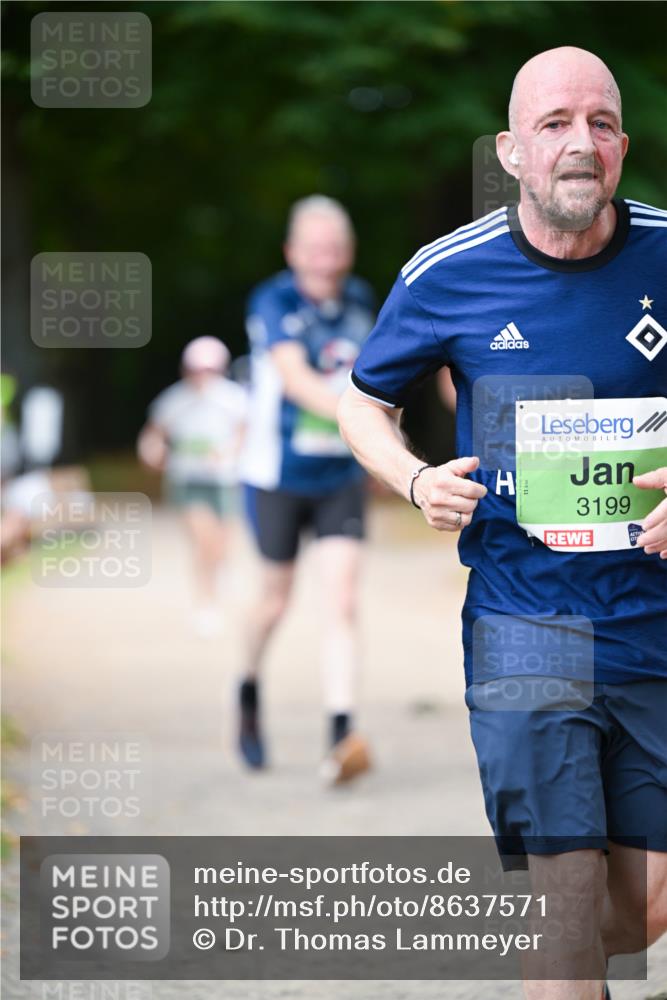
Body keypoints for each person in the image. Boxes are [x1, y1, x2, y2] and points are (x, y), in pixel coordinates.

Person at [338, 47, 667, 1000]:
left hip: (652, 621)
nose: (580, 142)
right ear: (511, 151)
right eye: (554, 124)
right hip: (524, 621)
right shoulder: (449, 273)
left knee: (638, 909)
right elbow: (362, 403)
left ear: (622, 147)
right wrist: (412, 480)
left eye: (600, 123)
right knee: (563, 903)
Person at [238, 195, 375, 782]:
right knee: (276, 599)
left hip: (339, 476)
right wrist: (361, 422)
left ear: (349, 252)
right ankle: (247, 687)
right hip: (277, 474)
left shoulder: (362, 300)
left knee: (342, 598)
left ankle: (341, 733)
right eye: (315, 249)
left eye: (335, 248)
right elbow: (294, 380)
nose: (326, 260)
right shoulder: (273, 301)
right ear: (292, 252)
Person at [138, 336, 247, 637]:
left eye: (210, 369)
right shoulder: (174, 400)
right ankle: (206, 602)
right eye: (197, 369)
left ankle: (219, 570)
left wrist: (229, 453)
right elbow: (153, 434)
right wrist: (152, 451)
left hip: (224, 481)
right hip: (187, 480)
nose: (203, 376)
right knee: (203, 540)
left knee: (221, 541)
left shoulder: (234, 398)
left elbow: (245, 433)